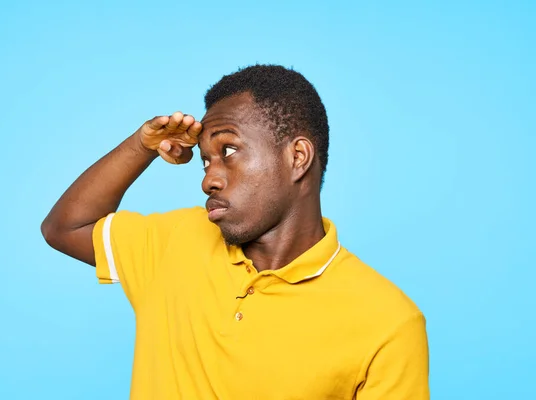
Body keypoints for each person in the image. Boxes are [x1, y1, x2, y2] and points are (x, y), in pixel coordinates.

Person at [42, 65, 430, 399]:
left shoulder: (389, 322)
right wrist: (141, 146)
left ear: (297, 158)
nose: (209, 178)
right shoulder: (175, 239)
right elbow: (65, 227)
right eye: (205, 161)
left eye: (228, 151)